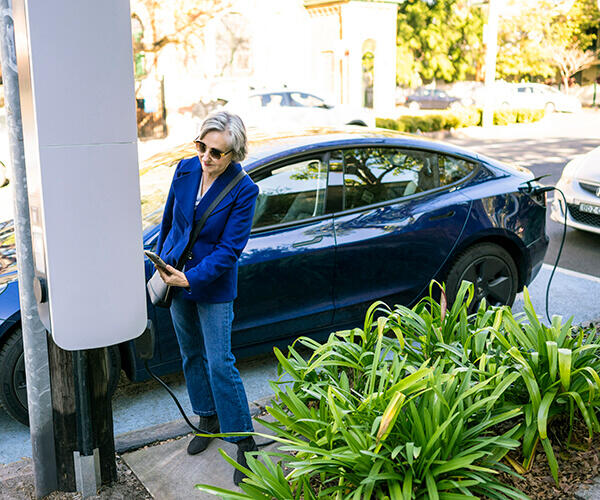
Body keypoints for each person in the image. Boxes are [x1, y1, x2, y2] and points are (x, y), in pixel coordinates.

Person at [154, 110, 259, 485]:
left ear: (234, 154)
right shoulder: (184, 170)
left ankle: (243, 439)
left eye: (216, 152)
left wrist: (191, 278)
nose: (206, 157)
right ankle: (207, 417)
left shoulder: (244, 190)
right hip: (174, 277)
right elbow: (171, 222)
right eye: (202, 146)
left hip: (211, 286)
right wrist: (161, 263)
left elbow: (230, 250)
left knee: (220, 362)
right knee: (191, 354)